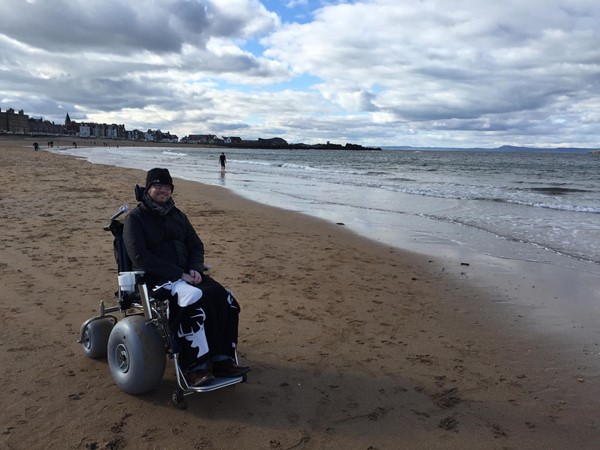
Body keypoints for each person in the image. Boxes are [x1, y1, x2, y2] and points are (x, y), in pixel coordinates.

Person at [123, 168, 250, 387]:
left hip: (187, 275)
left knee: (225, 299)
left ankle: (222, 359)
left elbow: (196, 245)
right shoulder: (135, 218)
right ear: (148, 188)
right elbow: (140, 257)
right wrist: (178, 273)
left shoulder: (178, 216)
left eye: (167, 187)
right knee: (192, 300)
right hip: (156, 279)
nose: (163, 190)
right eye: (158, 186)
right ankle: (195, 368)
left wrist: (195, 269)